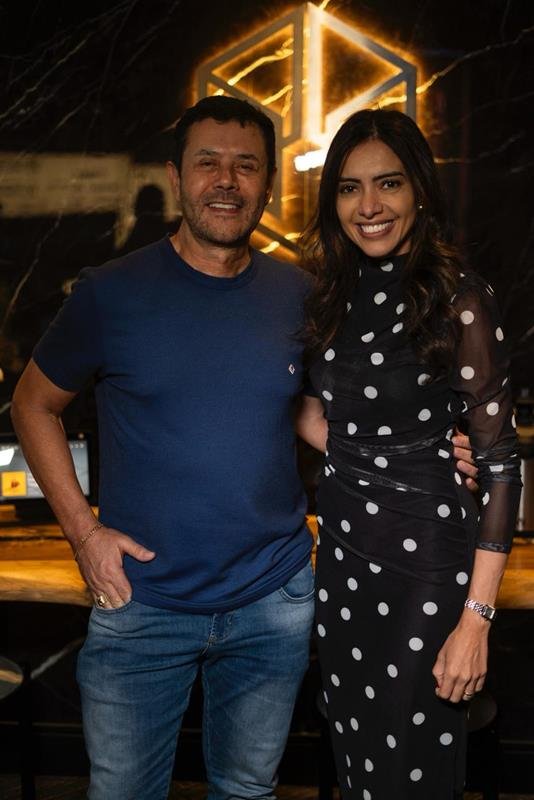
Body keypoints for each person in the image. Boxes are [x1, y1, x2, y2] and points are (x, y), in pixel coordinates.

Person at [10, 96, 476, 800]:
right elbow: (32, 404)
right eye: (208, 163)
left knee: (248, 792)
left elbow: (318, 415)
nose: (226, 181)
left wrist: (430, 458)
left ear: (268, 185)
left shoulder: (304, 295)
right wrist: (83, 533)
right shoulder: (111, 293)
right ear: (176, 178)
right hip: (143, 604)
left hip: (273, 603)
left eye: (246, 166)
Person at [295, 109, 522, 800]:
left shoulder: (459, 297)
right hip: (342, 561)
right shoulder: (331, 296)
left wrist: (476, 622)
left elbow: (502, 466)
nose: (369, 206)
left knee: (411, 770)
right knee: (357, 764)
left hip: (427, 567)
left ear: (419, 189)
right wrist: (382, 451)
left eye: (388, 183)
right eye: (349, 187)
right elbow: (312, 411)